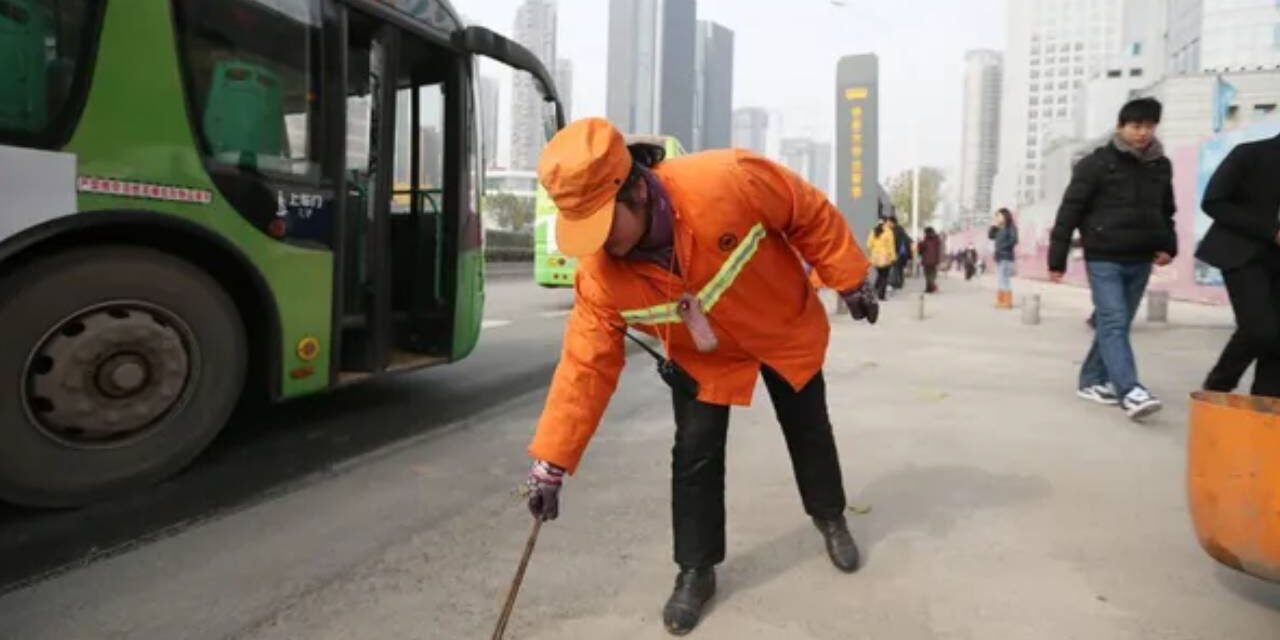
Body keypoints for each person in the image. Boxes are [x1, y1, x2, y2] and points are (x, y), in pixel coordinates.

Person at [522, 118, 879, 635]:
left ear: (638, 190)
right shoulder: (600, 274)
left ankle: (831, 517)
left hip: (779, 323)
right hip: (703, 358)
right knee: (694, 455)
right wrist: (551, 463)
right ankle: (696, 569)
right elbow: (585, 365)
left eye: (603, 224)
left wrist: (848, 277)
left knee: (808, 428)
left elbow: (807, 212)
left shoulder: (728, 179)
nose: (598, 244)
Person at [1048, 97, 1176, 420]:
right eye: (1136, 126)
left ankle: (1091, 380)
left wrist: (1168, 245)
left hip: (1141, 256)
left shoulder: (1160, 165)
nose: (1143, 133)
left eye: (1149, 126)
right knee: (1115, 320)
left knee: (1114, 323)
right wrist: (1057, 259)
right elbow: (1070, 211)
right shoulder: (1096, 164)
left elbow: (1166, 211)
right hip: (1104, 255)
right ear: (1120, 127)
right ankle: (1130, 390)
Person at [1196, 132, 1280, 396]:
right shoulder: (1249, 153)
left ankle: (1267, 407)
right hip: (1242, 253)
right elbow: (1213, 201)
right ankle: (1218, 385)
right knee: (1261, 329)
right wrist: (1271, 231)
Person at [988, 208, 1019, 309]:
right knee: (1001, 279)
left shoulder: (1011, 227)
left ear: (1005, 216)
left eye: (999, 215)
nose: (997, 218)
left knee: (1004, 279)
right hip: (999, 257)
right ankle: (1001, 301)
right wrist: (994, 226)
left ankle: (1007, 302)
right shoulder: (999, 228)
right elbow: (990, 236)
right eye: (996, 216)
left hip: (1006, 257)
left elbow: (1014, 240)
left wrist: (1002, 248)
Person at [867, 219, 897, 300]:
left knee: (880, 275)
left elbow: (869, 245)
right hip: (885, 257)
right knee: (884, 276)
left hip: (875, 257)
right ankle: (881, 295)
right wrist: (893, 257)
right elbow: (891, 246)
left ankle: (872, 293)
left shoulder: (873, 231)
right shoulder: (888, 232)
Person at [918, 226, 943, 293]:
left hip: (926, 261)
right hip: (935, 261)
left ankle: (932, 287)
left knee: (927, 275)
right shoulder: (937, 240)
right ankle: (929, 288)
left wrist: (919, 243)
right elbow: (939, 251)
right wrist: (939, 260)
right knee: (932, 275)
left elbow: (920, 250)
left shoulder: (925, 240)